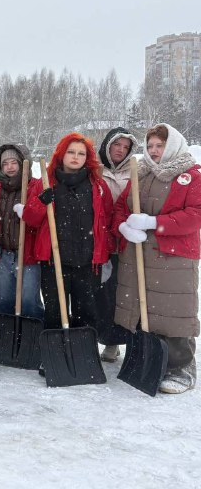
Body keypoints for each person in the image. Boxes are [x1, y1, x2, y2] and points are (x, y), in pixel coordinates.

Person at [114, 123, 200, 394]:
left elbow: (196, 214)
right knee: (145, 309)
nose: (153, 151)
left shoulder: (191, 175)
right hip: (138, 252)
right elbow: (121, 206)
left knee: (173, 311)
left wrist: (154, 222)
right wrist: (123, 227)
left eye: (159, 146)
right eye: (150, 146)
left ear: (172, 145)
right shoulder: (141, 173)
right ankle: (152, 361)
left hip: (173, 258)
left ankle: (181, 367)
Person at [22, 132, 112, 337]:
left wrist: (104, 253)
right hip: (54, 261)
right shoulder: (46, 183)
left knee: (86, 311)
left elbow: (105, 220)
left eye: (81, 153)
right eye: (71, 152)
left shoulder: (97, 186)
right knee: (54, 311)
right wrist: (40, 202)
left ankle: (83, 350)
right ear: (61, 154)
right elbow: (30, 219)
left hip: (87, 262)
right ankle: (55, 350)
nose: (75, 157)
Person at [96, 127, 138, 362]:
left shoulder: (136, 172)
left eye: (125, 147)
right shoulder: (94, 170)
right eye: (116, 145)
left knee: (126, 294)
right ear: (107, 145)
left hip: (126, 242)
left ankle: (128, 339)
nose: (120, 150)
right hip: (99, 241)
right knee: (103, 295)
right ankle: (108, 340)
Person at [0, 144, 44, 322]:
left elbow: (40, 218)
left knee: (28, 301)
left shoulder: (36, 187)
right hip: (3, 254)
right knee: (1, 299)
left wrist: (28, 211)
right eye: (5, 163)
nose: (10, 167)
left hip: (27, 255)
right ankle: (6, 334)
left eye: (14, 162)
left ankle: (31, 333)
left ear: (23, 164)